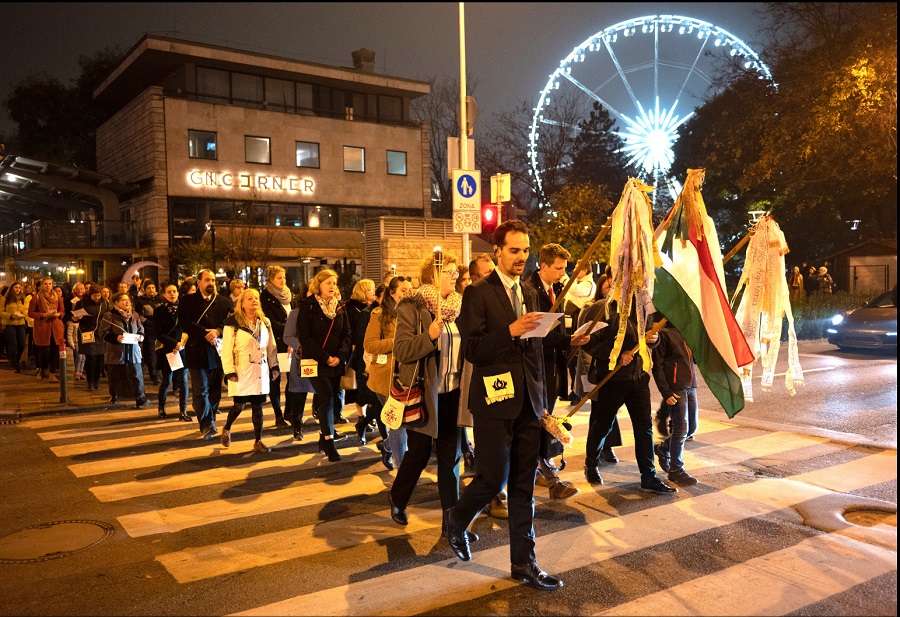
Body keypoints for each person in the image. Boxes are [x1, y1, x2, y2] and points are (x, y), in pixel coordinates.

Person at [443, 219, 564, 591]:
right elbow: (475, 350)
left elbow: (536, 352)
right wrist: (509, 332)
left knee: (524, 485)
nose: (521, 257)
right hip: (494, 402)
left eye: (526, 251)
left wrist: (543, 404)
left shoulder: (529, 292)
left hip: (529, 402)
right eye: (514, 250)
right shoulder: (478, 292)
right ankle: (457, 518)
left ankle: (524, 563)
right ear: (497, 251)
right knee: (492, 478)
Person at [388, 254, 466, 530]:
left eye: (456, 272)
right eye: (448, 272)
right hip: (425, 393)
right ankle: (398, 498)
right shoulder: (413, 307)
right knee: (419, 452)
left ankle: (451, 524)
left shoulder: (459, 307)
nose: (454, 277)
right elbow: (401, 350)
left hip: (454, 394)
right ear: (432, 276)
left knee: (450, 458)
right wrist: (429, 336)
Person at [581, 298, 676, 494]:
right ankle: (591, 465)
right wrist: (614, 355)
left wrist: (654, 339)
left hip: (639, 377)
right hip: (612, 380)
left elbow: (650, 338)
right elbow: (586, 341)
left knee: (644, 429)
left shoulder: (645, 307)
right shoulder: (602, 309)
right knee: (603, 425)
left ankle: (648, 476)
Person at [523, 243, 589, 500]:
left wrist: (572, 337)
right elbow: (537, 334)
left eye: (565, 267)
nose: (564, 273)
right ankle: (549, 478)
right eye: (559, 268)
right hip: (537, 366)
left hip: (553, 365)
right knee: (541, 420)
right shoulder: (530, 290)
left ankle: (542, 471)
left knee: (545, 420)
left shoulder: (557, 288)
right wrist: (567, 340)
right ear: (544, 265)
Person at [296, 269, 352, 462]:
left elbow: (347, 334)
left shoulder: (340, 307)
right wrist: (325, 357)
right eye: (328, 282)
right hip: (317, 361)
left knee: (333, 399)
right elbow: (304, 337)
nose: (332, 286)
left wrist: (340, 356)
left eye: (334, 283)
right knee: (326, 397)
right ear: (318, 285)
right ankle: (330, 442)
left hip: (336, 362)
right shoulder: (308, 306)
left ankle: (323, 436)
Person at [220, 288, 280, 453]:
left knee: (258, 405)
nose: (254, 301)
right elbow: (226, 350)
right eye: (249, 298)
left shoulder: (265, 322)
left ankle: (258, 440)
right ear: (242, 303)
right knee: (239, 405)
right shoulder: (232, 324)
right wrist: (229, 371)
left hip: (260, 370)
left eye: (256, 298)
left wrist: (274, 366)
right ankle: (227, 428)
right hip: (242, 369)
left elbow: (271, 346)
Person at [364, 276, 413, 470]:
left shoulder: (414, 313)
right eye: (403, 290)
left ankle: (387, 446)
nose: (407, 294)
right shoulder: (379, 314)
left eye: (410, 290)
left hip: (408, 376)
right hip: (386, 377)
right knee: (397, 423)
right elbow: (369, 344)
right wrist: (395, 343)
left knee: (405, 423)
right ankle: (401, 468)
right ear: (391, 293)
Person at [178, 269, 233, 440]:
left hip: (218, 352)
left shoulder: (223, 301)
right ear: (199, 283)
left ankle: (211, 419)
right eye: (207, 280)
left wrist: (218, 331)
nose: (211, 283)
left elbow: (230, 321)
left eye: (213, 280)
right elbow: (185, 323)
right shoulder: (187, 301)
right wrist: (204, 333)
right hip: (197, 351)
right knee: (201, 391)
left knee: (215, 390)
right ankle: (207, 424)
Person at [650, 319, 700, 486]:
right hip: (676, 388)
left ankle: (663, 448)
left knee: (692, 428)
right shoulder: (664, 333)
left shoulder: (687, 332)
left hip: (690, 385)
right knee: (680, 429)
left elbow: (695, 359)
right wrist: (666, 392)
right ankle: (675, 470)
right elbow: (657, 366)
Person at [348, 280, 387, 448]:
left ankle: (362, 424)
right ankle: (387, 441)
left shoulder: (389, 313)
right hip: (369, 364)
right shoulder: (367, 314)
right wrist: (367, 368)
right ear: (378, 298)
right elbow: (364, 343)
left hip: (385, 364)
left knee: (381, 402)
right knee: (377, 402)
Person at [98, 292, 149, 409]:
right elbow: (102, 332)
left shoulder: (134, 315)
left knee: (137, 374)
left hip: (133, 350)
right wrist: (116, 338)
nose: (127, 302)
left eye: (128, 300)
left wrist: (141, 336)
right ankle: (114, 395)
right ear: (116, 303)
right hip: (117, 351)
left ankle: (140, 398)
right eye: (123, 300)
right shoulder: (109, 316)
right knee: (115, 374)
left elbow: (141, 329)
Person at [259, 266, 293, 428]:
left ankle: (289, 411)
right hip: (275, 341)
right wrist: (290, 328)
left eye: (284, 278)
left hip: (290, 342)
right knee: (276, 377)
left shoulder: (288, 295)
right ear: (271, 280)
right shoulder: (265, 297)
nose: (283, 281)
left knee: (292, 378)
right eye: (279, 278)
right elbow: (269, 321)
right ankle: (278, 414)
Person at [154, 282, 190, 421]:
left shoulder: (185, 309)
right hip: (167, 350)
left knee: (184, 381)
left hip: (182, 348)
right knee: (167, 381)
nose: (172, 294)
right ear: (164, 294)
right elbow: (158, 333)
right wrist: (174, 344)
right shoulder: (159, 311)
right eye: (169, 292)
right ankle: (161, 407)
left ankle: (183, 410)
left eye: (174, 291)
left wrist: (181, 344)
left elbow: (187, 328)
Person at [343, 279, 376, 424]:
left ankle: (371, 414)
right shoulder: (351, 308)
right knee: (359, 388)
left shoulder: (375, 308)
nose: (373, 292)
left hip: (371, 350)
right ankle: (362, 417)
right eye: (370, 289)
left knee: (372, 385)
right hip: (357, 351)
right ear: (362, 292)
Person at [28, 277, 65, 382]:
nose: (48, 286)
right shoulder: (36, 297)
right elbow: (30, 313)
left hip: (56, 327)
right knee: (45, 351)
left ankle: (52, 373)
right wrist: (43, 314)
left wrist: (58, 314)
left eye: (49, 284)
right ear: (41, 285)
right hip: (43, 327)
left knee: (54, 351)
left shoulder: (58, 297)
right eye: (45, 284)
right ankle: (42, 369)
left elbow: (62, 311)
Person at [78, 285, 109, 391]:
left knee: (100, 358)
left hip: (100, 333)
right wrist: (75, 318)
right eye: (94, 296)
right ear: (90, 295)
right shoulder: (82, 303)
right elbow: (73, 317)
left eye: (98, 295)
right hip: (88, 332)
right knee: (91, 357)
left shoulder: (104, 303)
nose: (97, 298)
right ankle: (89, 382)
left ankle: (97, 381)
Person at [135, 279, 163, 385]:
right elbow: (138, 316)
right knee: (151, 354)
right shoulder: (140, 301)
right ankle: (155, 376)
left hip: (161, 331)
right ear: (145, 289)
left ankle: (162, 373)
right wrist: (149, 323)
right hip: (149, 331)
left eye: (152, 287)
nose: (151, 290)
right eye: (148, 288)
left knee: (161, 353)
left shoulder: (161, 299)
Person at [0, 282, 28, 373]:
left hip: (21, 323)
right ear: (12, 288)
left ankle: (16, 360)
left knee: (22, 344)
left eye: (20, 287)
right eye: (16, 287)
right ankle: (16, 365)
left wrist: (24, 314)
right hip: (9, 324)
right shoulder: (5, 299)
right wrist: (11, 316)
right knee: (12, 345)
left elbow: (25, 310)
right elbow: (1, 313)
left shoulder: (22, 299)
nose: (18, 289)